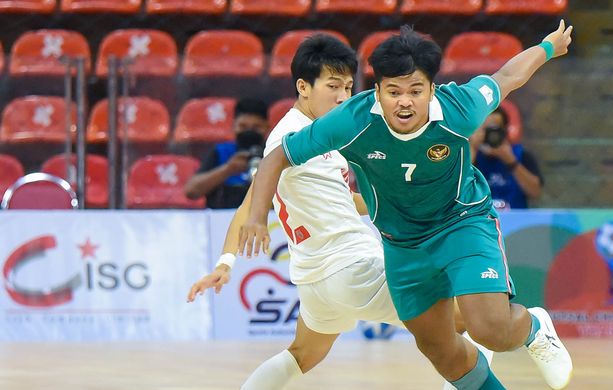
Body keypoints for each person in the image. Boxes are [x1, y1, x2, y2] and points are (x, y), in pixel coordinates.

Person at [237, 22, 575, 390]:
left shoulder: (459, 107)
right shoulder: (352, 120)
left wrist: (547, 47)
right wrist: (256, 218)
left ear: (432, 88)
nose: (405, 101)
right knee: (441, 350)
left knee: (491, 330)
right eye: (393, 91)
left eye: (416, 90)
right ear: (377, 91)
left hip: (461, 224)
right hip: (402, 244)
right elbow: (276, 158)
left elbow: (508, 75)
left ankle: (536, 327)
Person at [186, 34, 493, 390]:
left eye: (348, 86)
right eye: (333, 86)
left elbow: (264, 203)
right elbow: (251, 205)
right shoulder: (290, 139)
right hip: (353, 266)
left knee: (303, 354)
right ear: (303, 86)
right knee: (470, 319)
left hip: (316, 280)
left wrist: (226, 262)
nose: (343, 96)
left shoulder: (319, 136)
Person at [184, 98, 269, 209]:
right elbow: (191, 191)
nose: (249, 132)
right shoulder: (221, 152)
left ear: (267, 127)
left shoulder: (274, 153)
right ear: (234, 126)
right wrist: (228, 169)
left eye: (256, 127)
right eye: (243, 126)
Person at [469, 106, 543, 209]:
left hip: (514, 219)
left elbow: (535, 192)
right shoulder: (469, 157)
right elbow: (458, 188)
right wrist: (472, 148)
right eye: (485, 130)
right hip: (480, 220)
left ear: (504, 130)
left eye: (494, 129)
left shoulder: (521, 155)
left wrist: (510, 160)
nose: (490, 135)